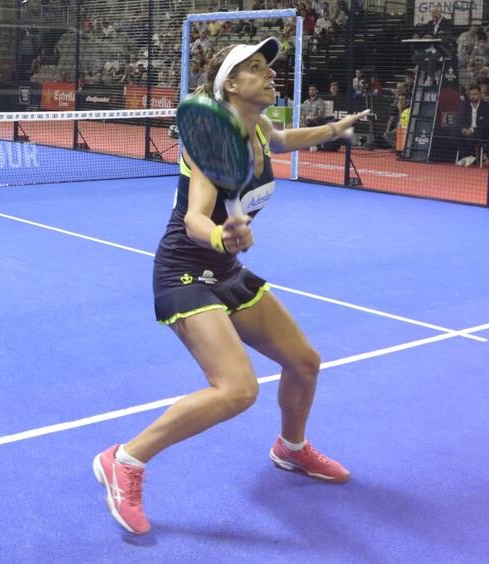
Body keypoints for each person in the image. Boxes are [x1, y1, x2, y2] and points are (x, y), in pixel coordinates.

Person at [93, 39, 372, 535]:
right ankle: (126, 460)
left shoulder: (257, 127)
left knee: (304, 363)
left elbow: (283, 139)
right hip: (184, 271)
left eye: (268, 67)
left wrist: (334, 128)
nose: (269, 75)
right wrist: (222, 235)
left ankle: (290, 448)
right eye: (256, 68)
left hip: (225, 273)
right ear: (230, 84)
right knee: (237, 390)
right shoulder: (209, 146)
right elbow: (197, 217)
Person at [456, 84, 489, 166]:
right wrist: (463, 129)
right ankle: (468, 157)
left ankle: (470, 157)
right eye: (471, 94)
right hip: (467, 129)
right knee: (454, 133)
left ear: (480, 94)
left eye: (475, 94)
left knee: (474, 136)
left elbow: (487, 123)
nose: (473, 96)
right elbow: (460, 120)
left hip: (480, 131)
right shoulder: (465, 105)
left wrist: (472, 130)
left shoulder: (487, 106)